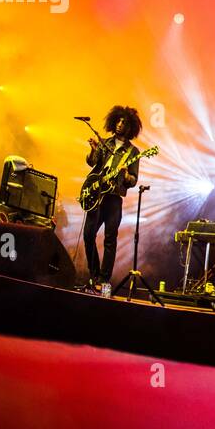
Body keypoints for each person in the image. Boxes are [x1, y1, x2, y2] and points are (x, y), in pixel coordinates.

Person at [82, 105, 143, 290]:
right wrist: (93, 150)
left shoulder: (133, 152)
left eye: (124, 122)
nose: (119, 124)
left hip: (114, 198)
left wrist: (125, 176)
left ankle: (104, 279)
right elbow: (92, 163)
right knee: (88, 235)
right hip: (97, 195)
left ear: (130, 127)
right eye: (118, 121)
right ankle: (94, 274)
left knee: (110, 238)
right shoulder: (105, 143)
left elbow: (133, 180)